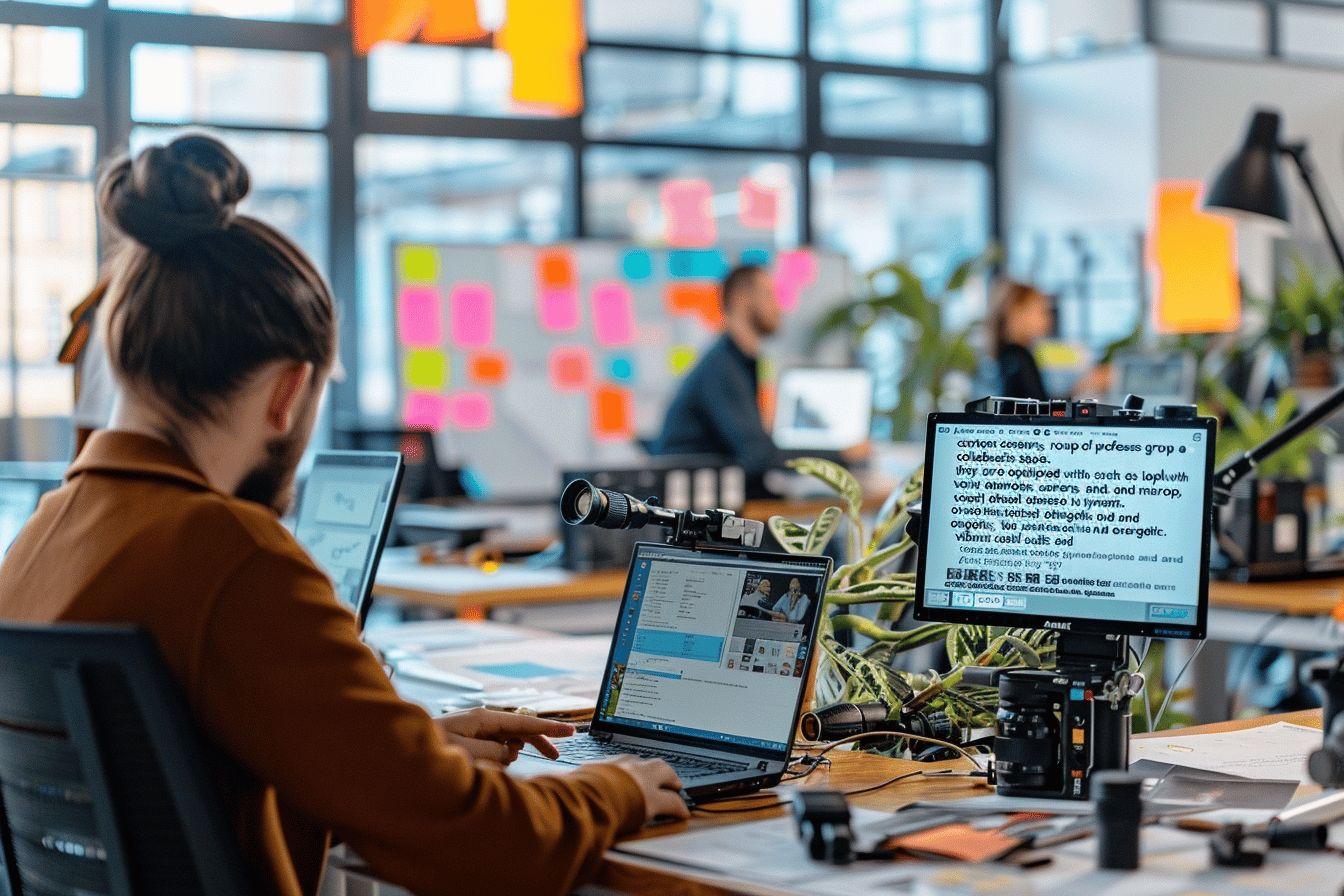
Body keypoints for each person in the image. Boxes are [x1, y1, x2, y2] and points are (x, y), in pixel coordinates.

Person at [0, 135, 688, 896]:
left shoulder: (40, 539)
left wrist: (408, 752)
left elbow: (188, 773)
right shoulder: (230, 553)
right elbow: (482, 848)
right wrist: (615, 788)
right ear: (288, 391)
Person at [652, 264, 867, 495]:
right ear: (741, 300)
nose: (778, 306)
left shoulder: (736, 362)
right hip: (697, 502)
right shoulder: (722, 369)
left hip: (718, 495)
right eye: (769, 295)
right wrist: (841, 455)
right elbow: (759, 456)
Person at [989, 279, 1111, 401]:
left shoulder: (1010, 356)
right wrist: (1085, 386)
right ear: (1018, 312)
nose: (1049, 318)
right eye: (1041, 311)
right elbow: (1041, 409)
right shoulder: (1019, 357)